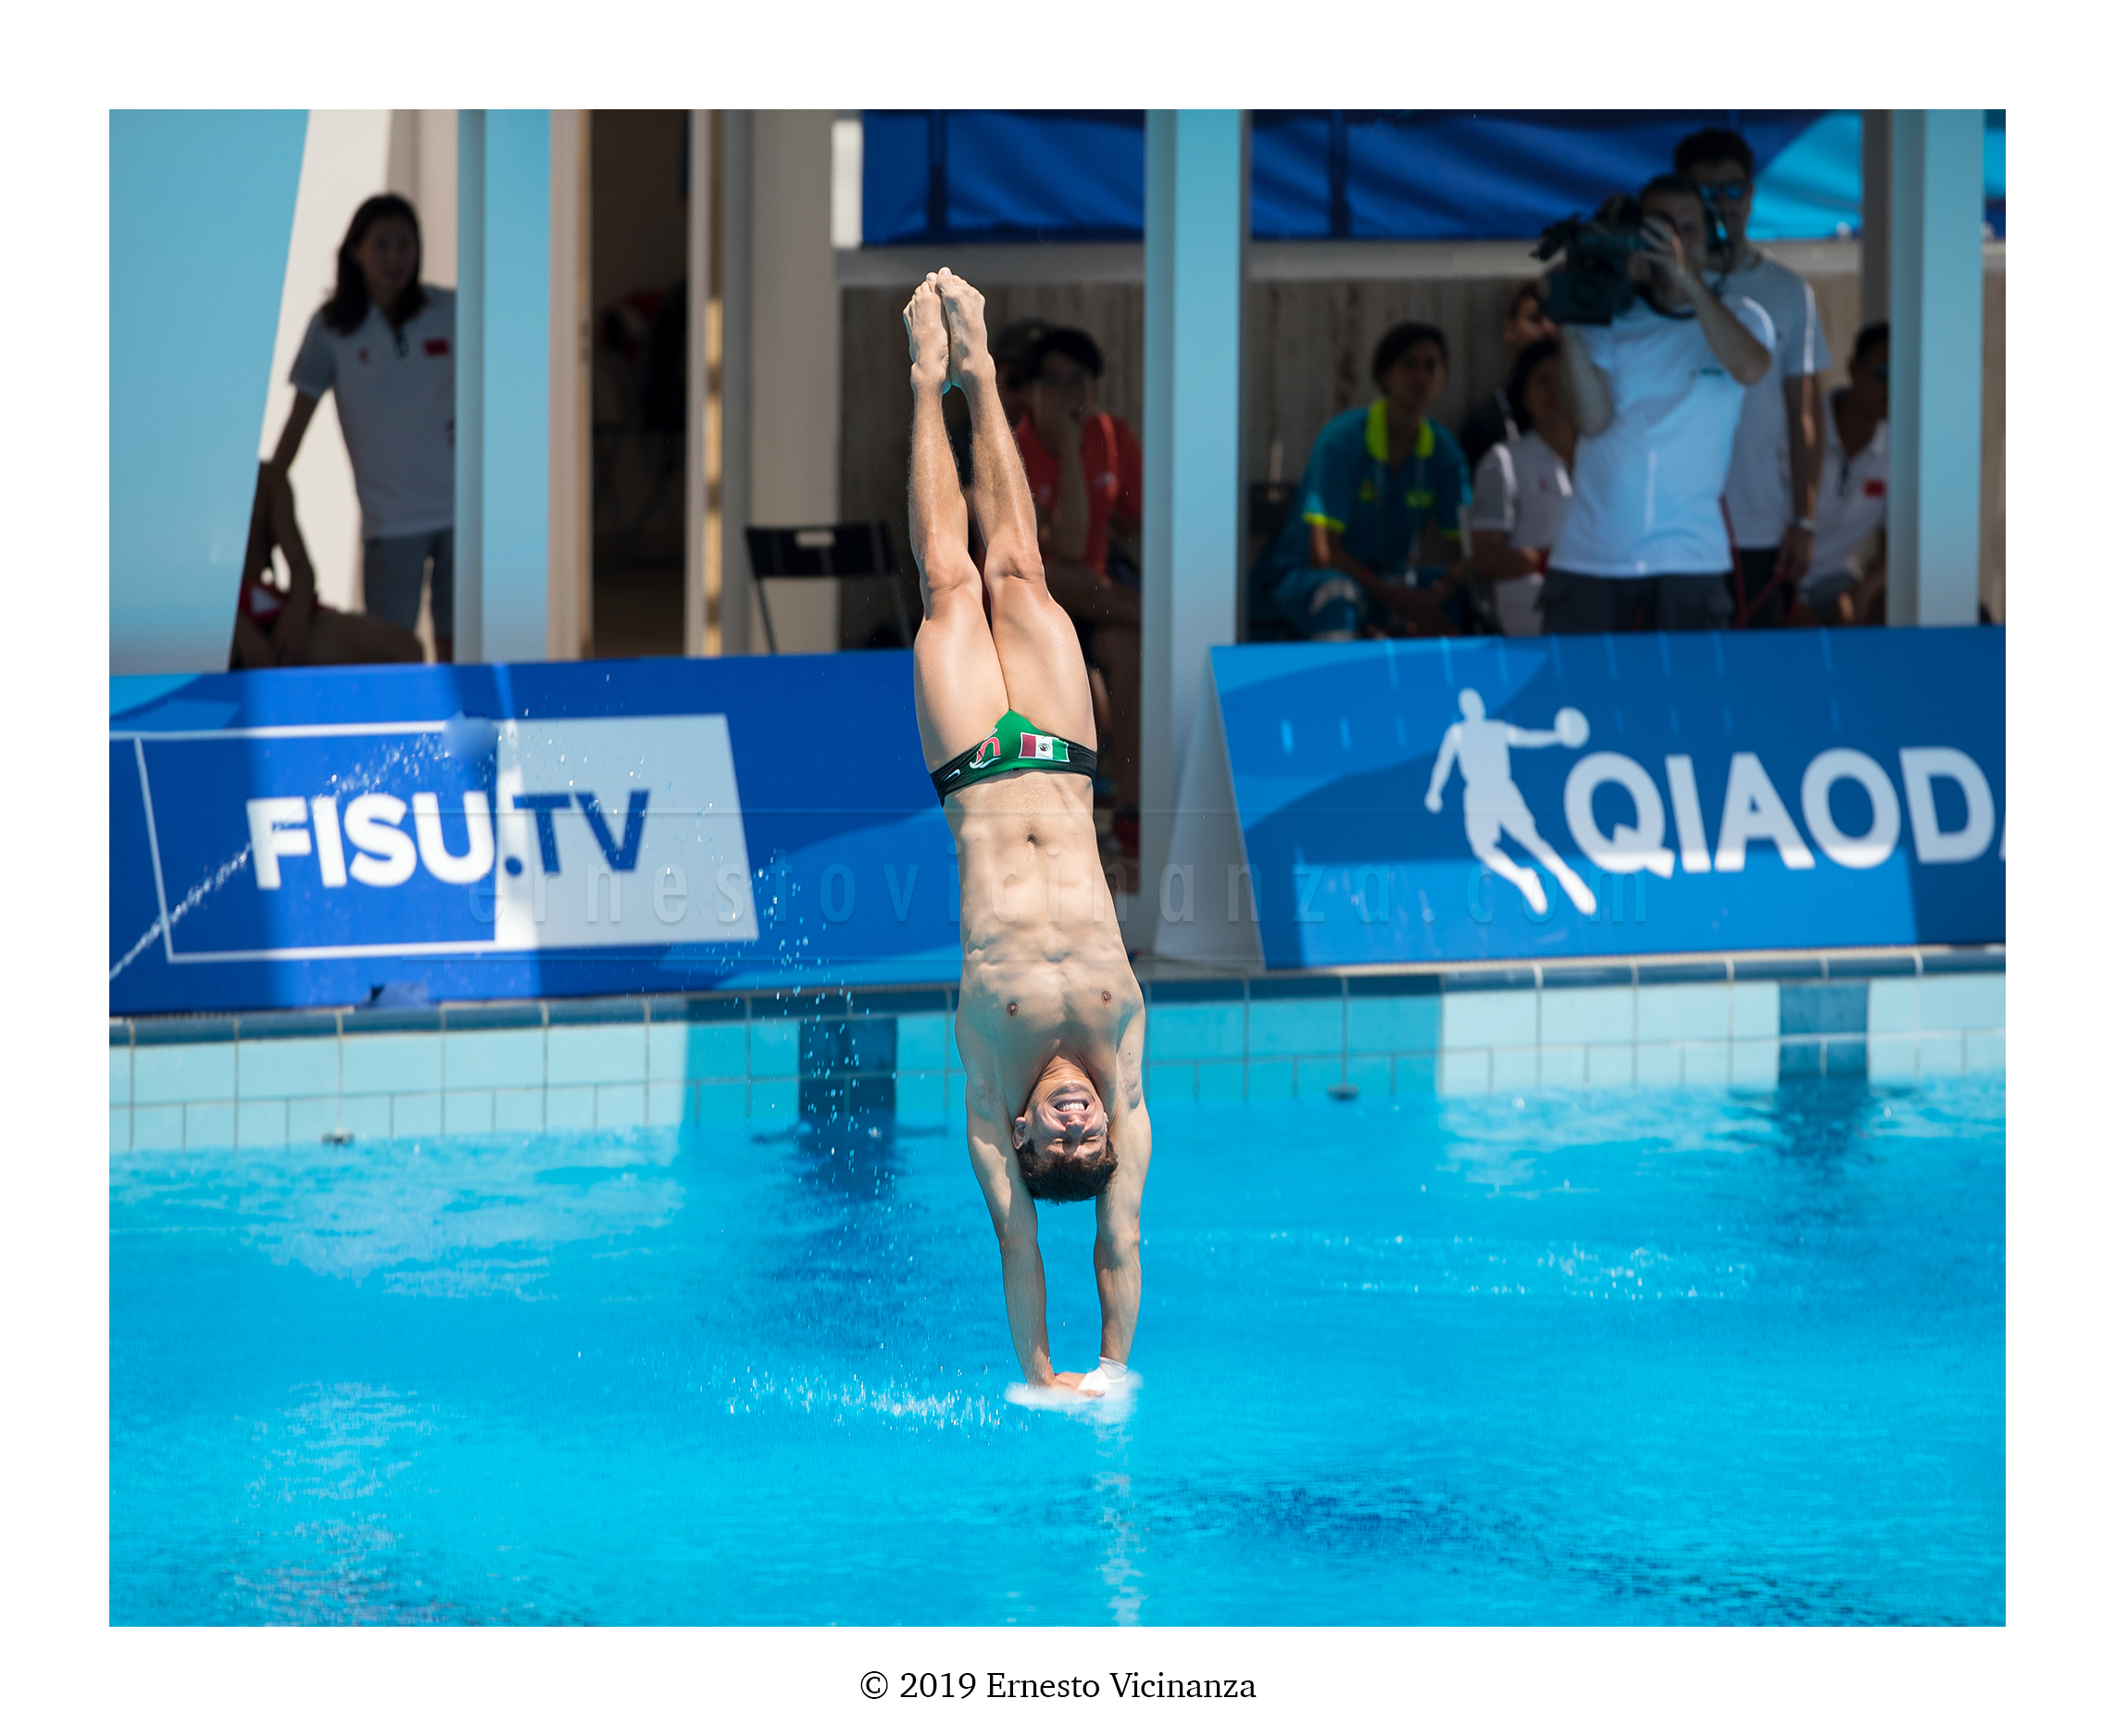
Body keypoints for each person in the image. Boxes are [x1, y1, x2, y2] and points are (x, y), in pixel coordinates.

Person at [902, 268, 1150, 1398]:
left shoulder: (988, 1088)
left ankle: (925, 380)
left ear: (1025, 1139)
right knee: (1020, 567)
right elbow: (1119, 1239)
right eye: (1092, 1143)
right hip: (1059, 765)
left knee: (951, 585)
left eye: (1065, 1145)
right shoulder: (1121, 1073)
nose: (1082, 1128)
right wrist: (1112, 1368)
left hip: (974, 776)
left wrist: (1041, 1375)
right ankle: (984, 370)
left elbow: (1019, 1243)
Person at [1544, 176, 1773, 632]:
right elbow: (1591, 419)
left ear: (1711, 239)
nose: (1674, 241)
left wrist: (1687, 280)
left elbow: (1750, 368)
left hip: (1690, 559)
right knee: (1580, 683)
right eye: (1659, 229)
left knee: (1690, 683)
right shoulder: (1610, 316)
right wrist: (1569, 318)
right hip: (1591, 557)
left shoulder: (1742, 314)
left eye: (1688, 229)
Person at [266, 194, 457, 660]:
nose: (395, 257)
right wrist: (269, 484)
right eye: (382, 245)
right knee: (393, 652)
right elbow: (299, 417)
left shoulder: (450, 310)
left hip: (460, 510)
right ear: (356, 251)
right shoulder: (331, 328)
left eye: (404, 244)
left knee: (460, 648)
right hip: (390, 520)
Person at [1673, 127, 1833, 627]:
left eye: (1732, 189)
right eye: (1706, 192)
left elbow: (1804, 415)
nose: (1721, 204)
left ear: (1751, 193)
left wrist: (1804, 520)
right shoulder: (1661, 287)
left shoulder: (1788, 290)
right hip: (1673, 525)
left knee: (1756, 658)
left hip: (1760, 522)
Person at [1253, 321, 1472, 640]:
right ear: (1384, 375)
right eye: (1408, 364)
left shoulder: (1444, 450)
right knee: (1338, 595)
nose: (1421, 375)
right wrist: (1391, 595)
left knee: (1461, 594)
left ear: (1444, 378)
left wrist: (1441, 589)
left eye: (1431, 365)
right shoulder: (1343, 440)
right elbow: (1323, 553)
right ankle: (1339, 673)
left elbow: (1473, 548)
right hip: (1314, 577)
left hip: (1391, 580)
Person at [1012, 327, 1144, 838]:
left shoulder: (1113, 435)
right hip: (1031, 607)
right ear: (1030, 391)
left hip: (1096, 602)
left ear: (1094, 387)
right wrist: (1069, 447)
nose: (1068, 393)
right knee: (1057, 574)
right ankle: (1165, 619)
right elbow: (1063, 549)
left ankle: (1130, 815)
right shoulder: (1011, 448)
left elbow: (1139, 521)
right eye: (1053, 381)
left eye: (1078, 380)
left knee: (1131, 650)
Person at [231, 468, 424, 668]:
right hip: (212, 617)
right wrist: (233, 623)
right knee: (219, 648)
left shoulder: (268, 478)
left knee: (405, 649)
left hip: (264, 605)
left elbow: (300, 566)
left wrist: (296, 617)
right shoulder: (206, 476)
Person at [1468, 337, 1573, 636]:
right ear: (1523, 395)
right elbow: (1485, 558)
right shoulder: (1502, 461)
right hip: (1534, 606)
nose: (1554, 389)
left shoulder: (1602, 459)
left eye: (1562, 378)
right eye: (1542, 380)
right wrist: (1545, 562)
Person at [1799, 322, 1890, 625]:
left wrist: (1862, 592)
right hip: (1780, 578)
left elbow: (1896, 551)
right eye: (1883, 373)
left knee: (1890, 606)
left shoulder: (1901, 452)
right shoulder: (1801, 430)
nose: (1893, 387)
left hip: (1840, 582)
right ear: (1853, 369)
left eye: (1904, 376)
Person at [1457, 283, 1559, 474]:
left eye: (1556, 319)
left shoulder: (1585, 418)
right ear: (1509, 329)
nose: (1547, 327)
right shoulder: (1483, 425)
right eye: (1535, 319)